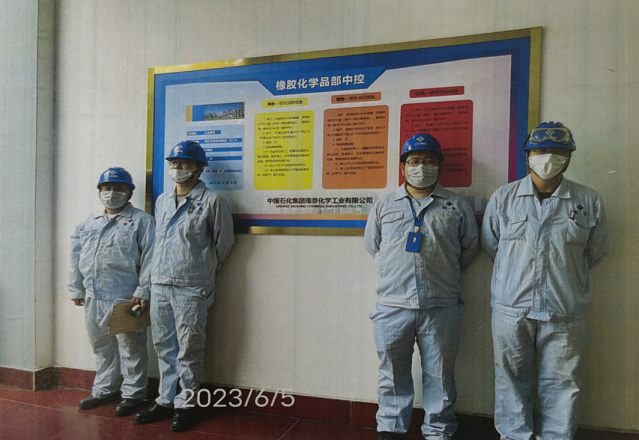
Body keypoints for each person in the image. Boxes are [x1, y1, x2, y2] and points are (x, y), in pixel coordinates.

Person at [481, 122, 610, 440]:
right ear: (527, 155)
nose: (548, 157)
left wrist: (564, 276)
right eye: (540, 151)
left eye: (557, 151)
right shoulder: (504, 197)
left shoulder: (587, 200)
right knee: (510, 380)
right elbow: (491, 244)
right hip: (512, 308)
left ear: (569, 157)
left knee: (562, 383)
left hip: (564, 309)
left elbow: (596, 250)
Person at [364, 133, 479, 440]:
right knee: (391, 372)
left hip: (440, 305)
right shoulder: (384, 205)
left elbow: (469, 247)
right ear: (403, 167)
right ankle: (391, 429)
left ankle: (439, 431)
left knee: (440, 374)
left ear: (439, 166)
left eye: (429, 161)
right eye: (414, 161)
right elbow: (373, 245)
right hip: (392, 304)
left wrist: (441, 273)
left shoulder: (456, 205)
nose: (421, 167)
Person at [134, 140, 234, 432]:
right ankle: (165, 399)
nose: (177, 168)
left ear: (199, 168)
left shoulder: (213, 201)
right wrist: (146, 285)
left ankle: (186, 404)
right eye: (174, 163)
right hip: (160, 283)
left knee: (189, 348)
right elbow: (157, 245)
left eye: (185, 163)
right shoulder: (162, 200)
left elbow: (223, 243)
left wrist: (201, 268)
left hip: (192, 286)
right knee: (164, 346)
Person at [68, 167, 155, 416]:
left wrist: (143, 289)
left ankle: (133, 394)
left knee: (131, 347)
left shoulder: (142, 221)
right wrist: (76, 287)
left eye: (118, 188)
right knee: (101, 345)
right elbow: (75, 256)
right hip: (93, 295)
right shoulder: (88, 222)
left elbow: (151, 258)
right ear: (99, 191)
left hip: (126, 296)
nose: (111, 193)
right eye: (106, 188)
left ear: (129, 192)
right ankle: (105, 389)